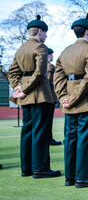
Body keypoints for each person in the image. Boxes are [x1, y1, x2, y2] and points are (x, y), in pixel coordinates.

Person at [54, 13, 88, 188]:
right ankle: (84, 177)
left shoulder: (65, 51)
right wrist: (74, 98)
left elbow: (58, 78)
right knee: (85, 139)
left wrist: (63, 98)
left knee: (71, 138)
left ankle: (70, 176)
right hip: (85, 100)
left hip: (69, 99)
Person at [8, 15, 61, 179]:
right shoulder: (40, 47)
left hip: (25, 96)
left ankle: (27, 168)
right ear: (40, 31)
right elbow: (40, 72)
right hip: (39, 94)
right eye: (45, 33)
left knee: (27, 130)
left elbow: (12, 72)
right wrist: (24, 88)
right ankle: (40, 168)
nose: (46, 36)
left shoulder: (21, 49)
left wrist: (18, 87)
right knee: (40, 131)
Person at [46, 47, 62, 146]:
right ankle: (49, 138)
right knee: (48, 120)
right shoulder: (50, 66)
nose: (52, 56)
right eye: (51, 54)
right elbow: (48, 81)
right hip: (49, 97)